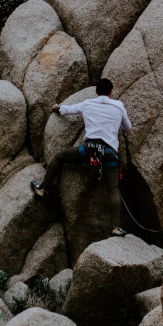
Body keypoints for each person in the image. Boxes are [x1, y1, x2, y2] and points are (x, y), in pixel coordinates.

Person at [31, 78, 132, 237]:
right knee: (113, 190)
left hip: (90, 151)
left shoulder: (87, 104)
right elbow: (128, 127)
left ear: (96, 91)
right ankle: (115, 227)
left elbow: (67, 110)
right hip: (109, 154)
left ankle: (42, 188)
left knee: (60, 157)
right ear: (111, 92)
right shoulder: (118, 106)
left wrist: (57, 108)